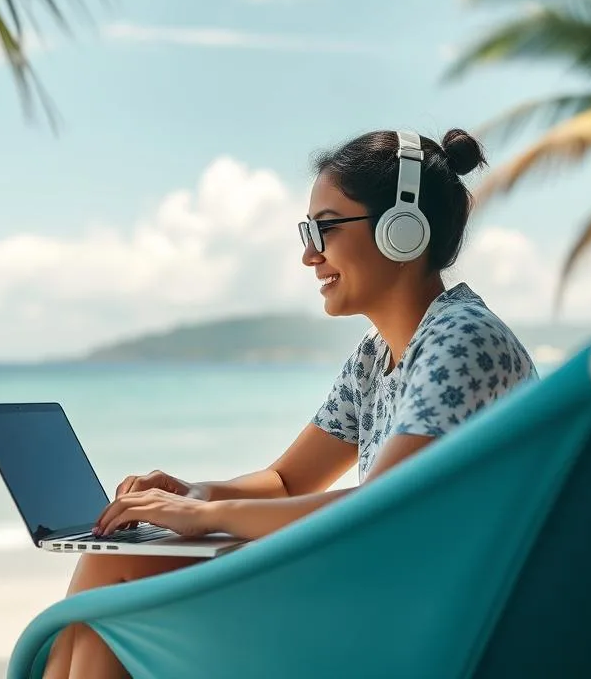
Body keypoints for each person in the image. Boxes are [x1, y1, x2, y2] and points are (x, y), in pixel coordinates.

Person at [43, 128, 539, 679]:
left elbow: (382, 510)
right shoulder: (377, 358)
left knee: (123, 582)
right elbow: (286, 481)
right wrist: (194, 492)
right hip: (393, 601)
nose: (308, 255)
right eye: (308, 231)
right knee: (108, 595)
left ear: (402, 230)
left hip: (437, 628)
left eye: (324, 229)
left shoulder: (460, 340)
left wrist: (206, 516)